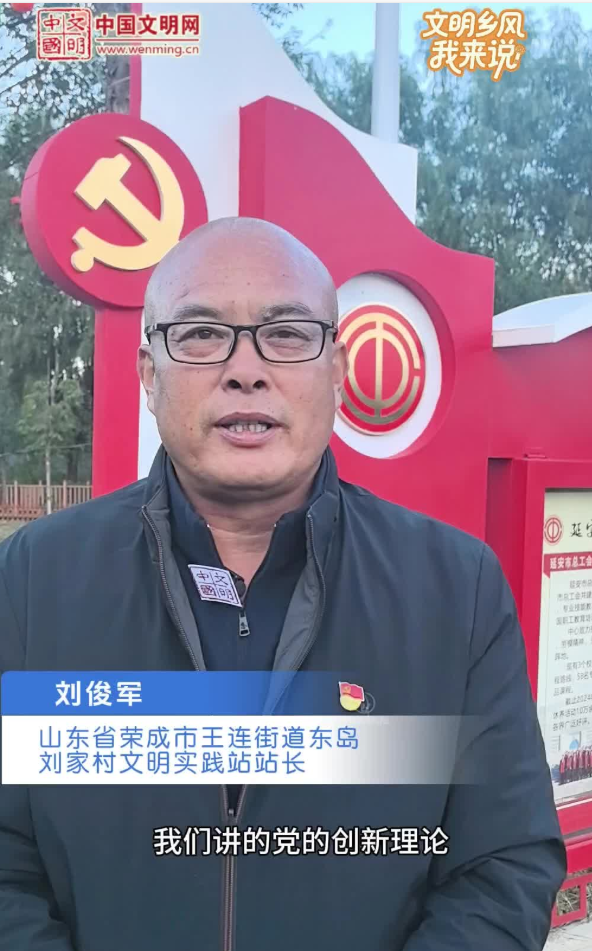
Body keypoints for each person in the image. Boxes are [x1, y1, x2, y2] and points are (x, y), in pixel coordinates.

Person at [0, 217, 566, 951]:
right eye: (202, 334)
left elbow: (502, 864)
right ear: (148, 374)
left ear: (337, 370)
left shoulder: (456, 591)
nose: (246, 370)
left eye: (288, 334)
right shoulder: (36, 579)